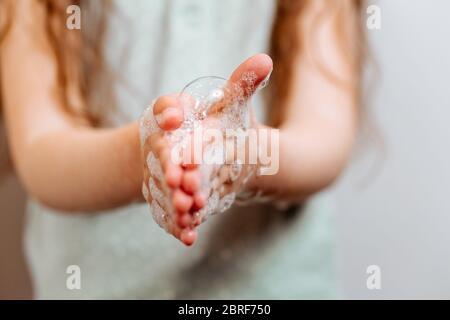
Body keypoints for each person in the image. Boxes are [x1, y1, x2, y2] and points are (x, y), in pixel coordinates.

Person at [0, 0, 365, 298]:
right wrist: (138, 158)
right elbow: (40, 150)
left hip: (275, 283)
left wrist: (247, 155)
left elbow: (323, 138)